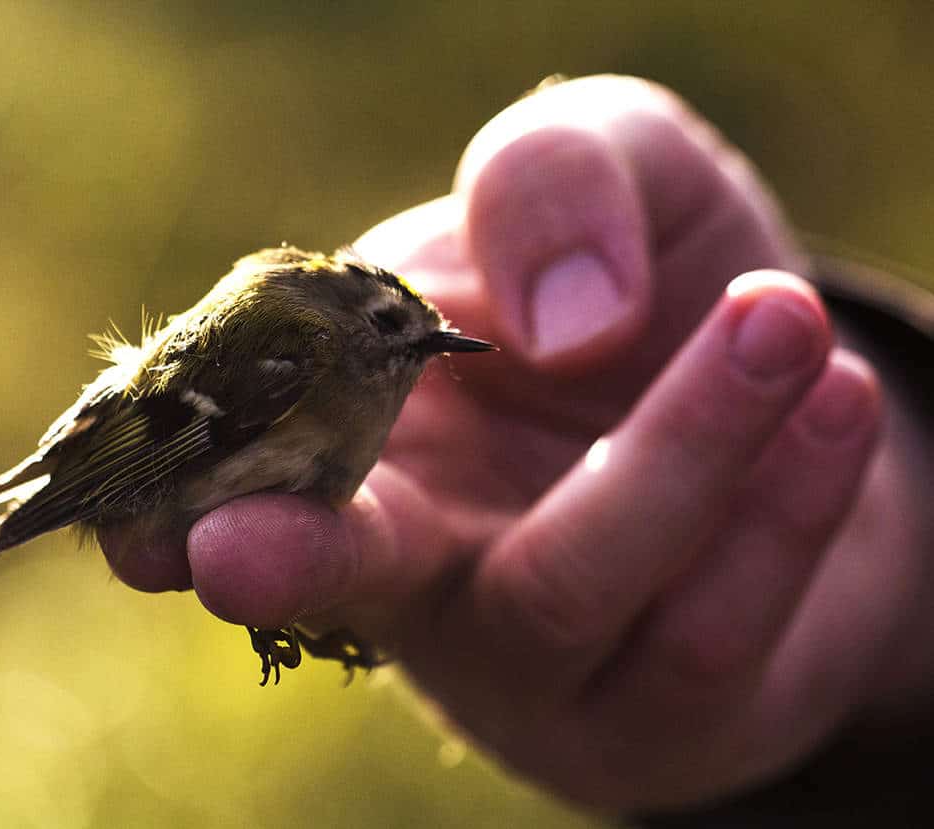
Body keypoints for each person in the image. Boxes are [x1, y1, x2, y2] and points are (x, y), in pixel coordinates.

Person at [104, 75, 934, 821]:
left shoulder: (353, 394)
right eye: (394, 330)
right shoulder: (305, 362)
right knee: (252, 555)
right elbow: (158, 428)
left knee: (264, 558)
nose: (416, 353)